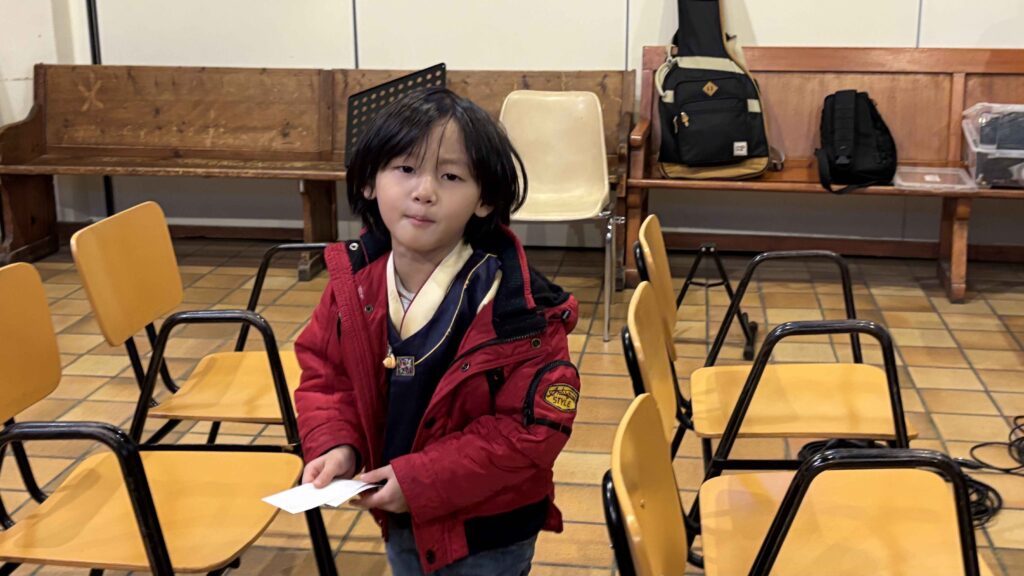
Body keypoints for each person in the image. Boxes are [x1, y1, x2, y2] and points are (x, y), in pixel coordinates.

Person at [293, 86, 581, 575]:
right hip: (401, 515)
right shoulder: (353, 287)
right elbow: (327, 377)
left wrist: (419, 480)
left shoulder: (521, 309)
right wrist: (338, 443)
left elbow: (529, 430)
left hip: (490, 532)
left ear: (484, 199)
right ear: (370, 182)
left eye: (450, 176)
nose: (424, 191)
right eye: (405, 169)